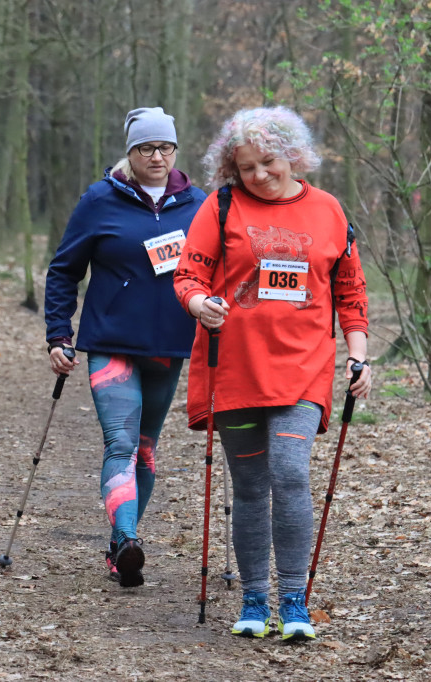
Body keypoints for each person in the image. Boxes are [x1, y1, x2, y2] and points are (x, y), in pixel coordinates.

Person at [173, 106, 371, 639]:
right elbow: (189, 273)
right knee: (251, 486)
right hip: (234, 370)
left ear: (293, 154)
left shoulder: (329, 211)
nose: (259, 175)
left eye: (268, 161)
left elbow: (351, 292)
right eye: (246, 168)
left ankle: (294, 601)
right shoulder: (219, 208)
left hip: (303, 371)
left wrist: (359, 353)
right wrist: (199, 304)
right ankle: (255, 602)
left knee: (290, 471)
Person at [45, 107, 206, 587]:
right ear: (130, 152)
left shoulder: (198, 204)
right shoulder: (99, 200)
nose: (156, 156)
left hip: (169, 345)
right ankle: (127, 537)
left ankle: (120, 545)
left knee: (146, 449)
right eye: (145, 148)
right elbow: (63, 270)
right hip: (110, 343)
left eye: (165, 148)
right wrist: (59, 333)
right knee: (121, 442)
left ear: (175, 151)